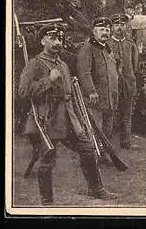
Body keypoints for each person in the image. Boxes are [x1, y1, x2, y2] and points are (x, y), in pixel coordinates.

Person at [18, 23, 117, 205]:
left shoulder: (62, 64)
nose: (58, 43)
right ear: (43, 41)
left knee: (87, 149)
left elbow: (68, 94)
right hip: (47, 118)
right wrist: (49, 79)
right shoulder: (35, 64)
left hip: (68, 118)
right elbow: (23, 92)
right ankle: (47, 201)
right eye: (53, 39)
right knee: (47, 159)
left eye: (60, 39)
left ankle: (96, 189)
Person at [77, 17, 119, 165]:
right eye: (101, 29)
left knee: (107, 128)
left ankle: (103, 154)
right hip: (95, 97)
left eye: (107, 30)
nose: (105, 32)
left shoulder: (107, 50)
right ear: (94, 31)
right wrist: (90, 91)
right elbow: (84, 72)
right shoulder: (87, 49)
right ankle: (92, 156)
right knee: (94, 128)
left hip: (109, 97)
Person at [109, 13, 140, 150]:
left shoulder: (131, 44)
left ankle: (126, 141)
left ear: (126, 27)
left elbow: (135, 65)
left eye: (122, 25)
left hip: (128, 83)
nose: (119, 28)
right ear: (112, 28)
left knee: (127, 113)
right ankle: (108, 143)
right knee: (110, 113)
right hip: (112, 84)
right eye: (116, 25)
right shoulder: (107, 44)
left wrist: (130, 79)